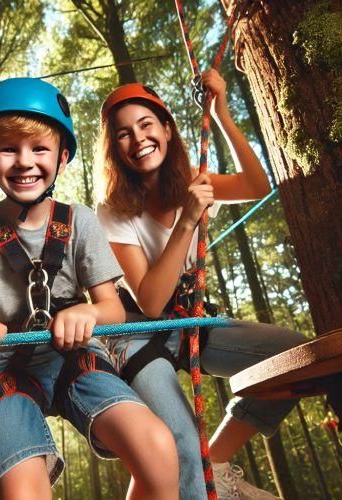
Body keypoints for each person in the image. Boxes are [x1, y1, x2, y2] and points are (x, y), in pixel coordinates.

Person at [0, 77, 179, 500]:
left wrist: (88, 312)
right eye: (8, 149)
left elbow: (113, 309)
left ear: (62, 158)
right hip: (2, 362)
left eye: (39, 149)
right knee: (21, 492)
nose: (24, 161)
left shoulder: (79, 221)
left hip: (75, 354)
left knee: (157, 448)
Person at [96, 69, 306, 500]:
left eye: (146, 125)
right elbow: (150, 303)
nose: (138, 140)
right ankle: (201, 469)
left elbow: (256, 183)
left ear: (167, 130)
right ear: (114, 149)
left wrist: (221, 114)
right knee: (181, 448)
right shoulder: (113, 209)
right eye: (123, 134)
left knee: (294, 358)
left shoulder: (192, 179)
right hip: (133, 333)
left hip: (187, 320)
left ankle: (219, 460)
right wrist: (188, 219)